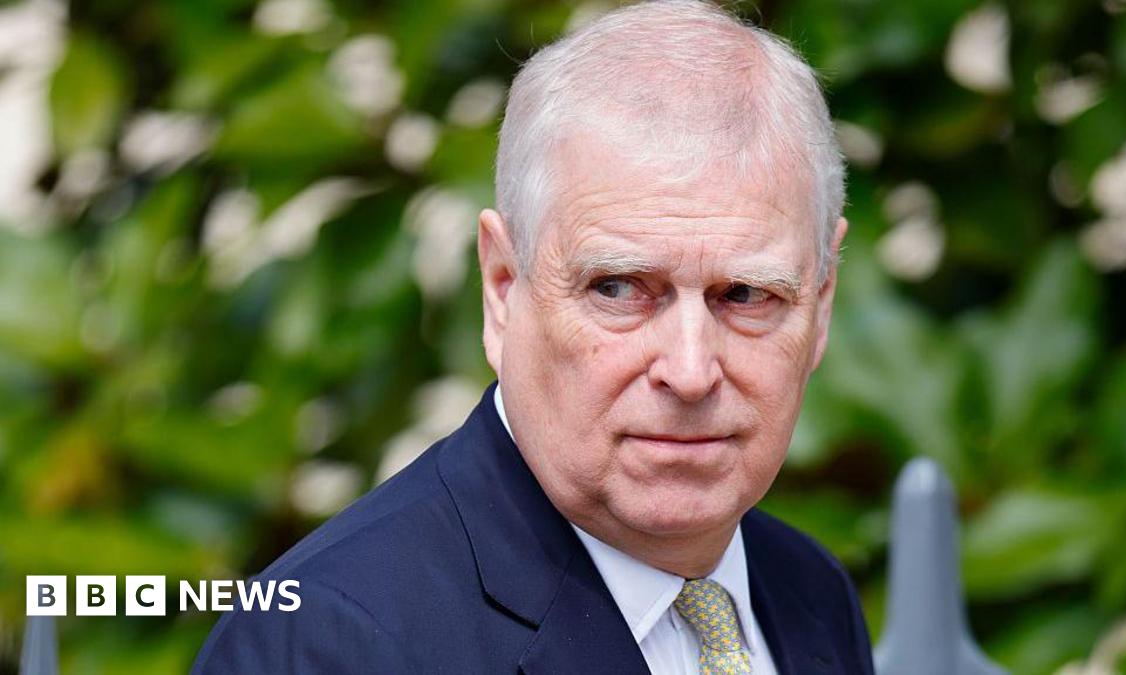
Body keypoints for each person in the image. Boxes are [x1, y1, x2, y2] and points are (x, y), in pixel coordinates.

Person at [192, 0, 874, 673]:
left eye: (748, 294)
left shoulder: (807, 593)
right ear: (502, 286)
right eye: (618, 288)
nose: (691, 371)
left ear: (820, 303)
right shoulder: (327, 643)